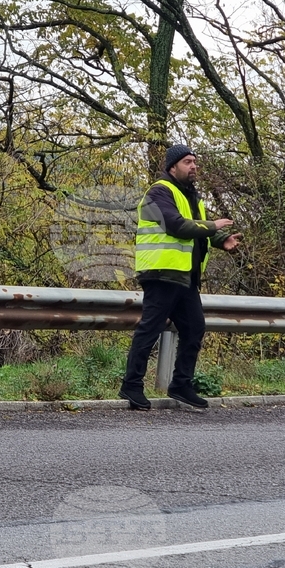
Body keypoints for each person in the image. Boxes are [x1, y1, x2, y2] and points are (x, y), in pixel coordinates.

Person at [119, 144, 242, 410]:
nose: (193, 166)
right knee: (150, 330)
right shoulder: (159, 192)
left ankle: (181, 385)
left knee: (194, 328)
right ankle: (131, 385)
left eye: (195, 162)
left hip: (185, 276)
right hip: (162, 273)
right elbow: (177, 226)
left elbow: (198, 227)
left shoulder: (191, 197)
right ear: (172, 166)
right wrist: (213, 226)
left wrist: (222, 240)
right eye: (187, 162)